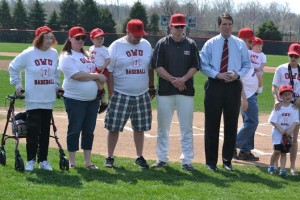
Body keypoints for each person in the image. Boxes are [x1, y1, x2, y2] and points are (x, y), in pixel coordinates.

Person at [200, 13, 251, 171]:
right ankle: (211, 163)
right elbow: (203, 64)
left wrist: (238, 75)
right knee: (211, 125)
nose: (227, 27)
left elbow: (247, 65)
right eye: (224, 24)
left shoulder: (240, 44)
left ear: (232, 25)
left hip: (233, 86)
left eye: (229, 24)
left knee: (231, 125)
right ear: (218, 26)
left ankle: (227, 161)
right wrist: (216, 74)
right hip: (214, 85)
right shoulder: (210, 44)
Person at [150, 13, 200, 172]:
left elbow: (195, 66)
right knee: (163, 128)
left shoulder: (191, 44)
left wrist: (183, 80)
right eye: (176, 26)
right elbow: (157, 66)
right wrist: (174, 80)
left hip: (185, 91)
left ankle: (187, 160)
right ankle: (162, 158)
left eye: (181, 26)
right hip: (165, 91)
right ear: (170, 27)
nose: (179, 29)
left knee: (186, 127)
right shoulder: (162, 44)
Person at [103, 19, 154, 169]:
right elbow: (109, 71)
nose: (138, 38)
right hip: (120, 93)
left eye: (140, 34)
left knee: (140, 127)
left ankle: (139, 156)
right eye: (135, 35)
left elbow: (150, 67)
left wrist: (151, 86)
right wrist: (111, 93)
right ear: (127, 31)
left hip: (142, 93)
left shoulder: (146, 44)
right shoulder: (116, 46)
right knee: (114, 127)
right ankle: (110, 157)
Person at [8, 26, 59, 171]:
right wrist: (17, 85)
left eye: (51, 37)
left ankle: (43, 160)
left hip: (48, 98)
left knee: (45, 131)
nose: (49, 40)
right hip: (34, 98)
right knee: (33, 130)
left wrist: (56, 86)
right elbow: (13, 67)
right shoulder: (29, 53)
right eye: (45, 37)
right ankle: (30, 160)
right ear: (38, 38)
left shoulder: (54, 53)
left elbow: (55, 73)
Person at [58, 26, 106, 170]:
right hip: (74, 99)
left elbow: (91, 71)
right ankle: (72, 162)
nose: (80, 40)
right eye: (77, 38)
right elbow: (77, 75)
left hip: (92, 100)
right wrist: (97, 76)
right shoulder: (67, 56)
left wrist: (99, 87)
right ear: (70, 39)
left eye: (82, 38)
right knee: (74, 129)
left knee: (88, 130)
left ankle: (88, 162)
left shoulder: (87, 55)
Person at [272, 43, 300, 176]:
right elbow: (274, 87)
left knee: (294, 137)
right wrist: (276, 100)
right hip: (282, 105)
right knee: (280, 135)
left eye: (296, 56)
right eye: (291, 55)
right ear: (288, 55)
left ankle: (292, 166)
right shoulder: (281, 68)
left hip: (296, 106)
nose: (293, 58)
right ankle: (276, 165)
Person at [234, 28, 260, 161]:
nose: (251, 43)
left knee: (248, 122)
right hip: (247, 95)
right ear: (242, 40)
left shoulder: (245, 53)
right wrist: (244, 97)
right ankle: (232, 144)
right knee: (252, 122)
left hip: (251, 93)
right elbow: (237, 77)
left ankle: (245, 151)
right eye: (250, 40)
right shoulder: (238, 54)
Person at [268, 85, 299, 177]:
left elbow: (296, 121)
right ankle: (271, 166)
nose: (288, 96)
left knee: (284, 152)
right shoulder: (278, 107)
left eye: (289, 94)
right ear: (281, 96)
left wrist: (290, 131)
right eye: (285, 95)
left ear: (292, 95)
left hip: (288, 133)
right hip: (278, 133)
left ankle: (282, 169)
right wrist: (281, 130)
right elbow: (273, 120)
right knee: (277, 151)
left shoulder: (294, 108)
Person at [89, 28, 110, 114]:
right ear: (92, 39)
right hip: (94, 68)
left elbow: (108, 60)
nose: (100, 40)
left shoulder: (103, 49)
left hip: (101, 69)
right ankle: (103, 102)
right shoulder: (91, 48)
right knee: (94, 80)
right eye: (97, 38)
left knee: (96, 80)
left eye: (102, 38)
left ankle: (101, 92)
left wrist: (103, 66)